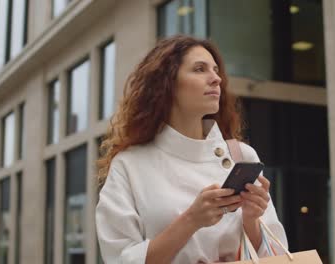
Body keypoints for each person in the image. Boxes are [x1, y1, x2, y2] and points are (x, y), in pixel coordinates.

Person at [96, 35, 287, 264]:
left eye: (216, 70)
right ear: (166, 83)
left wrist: (251, 219)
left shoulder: (242, 156)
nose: (216, 78)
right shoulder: (129, 165)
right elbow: (119, 259)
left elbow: (276, 256)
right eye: (199, 69)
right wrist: (191, 220)